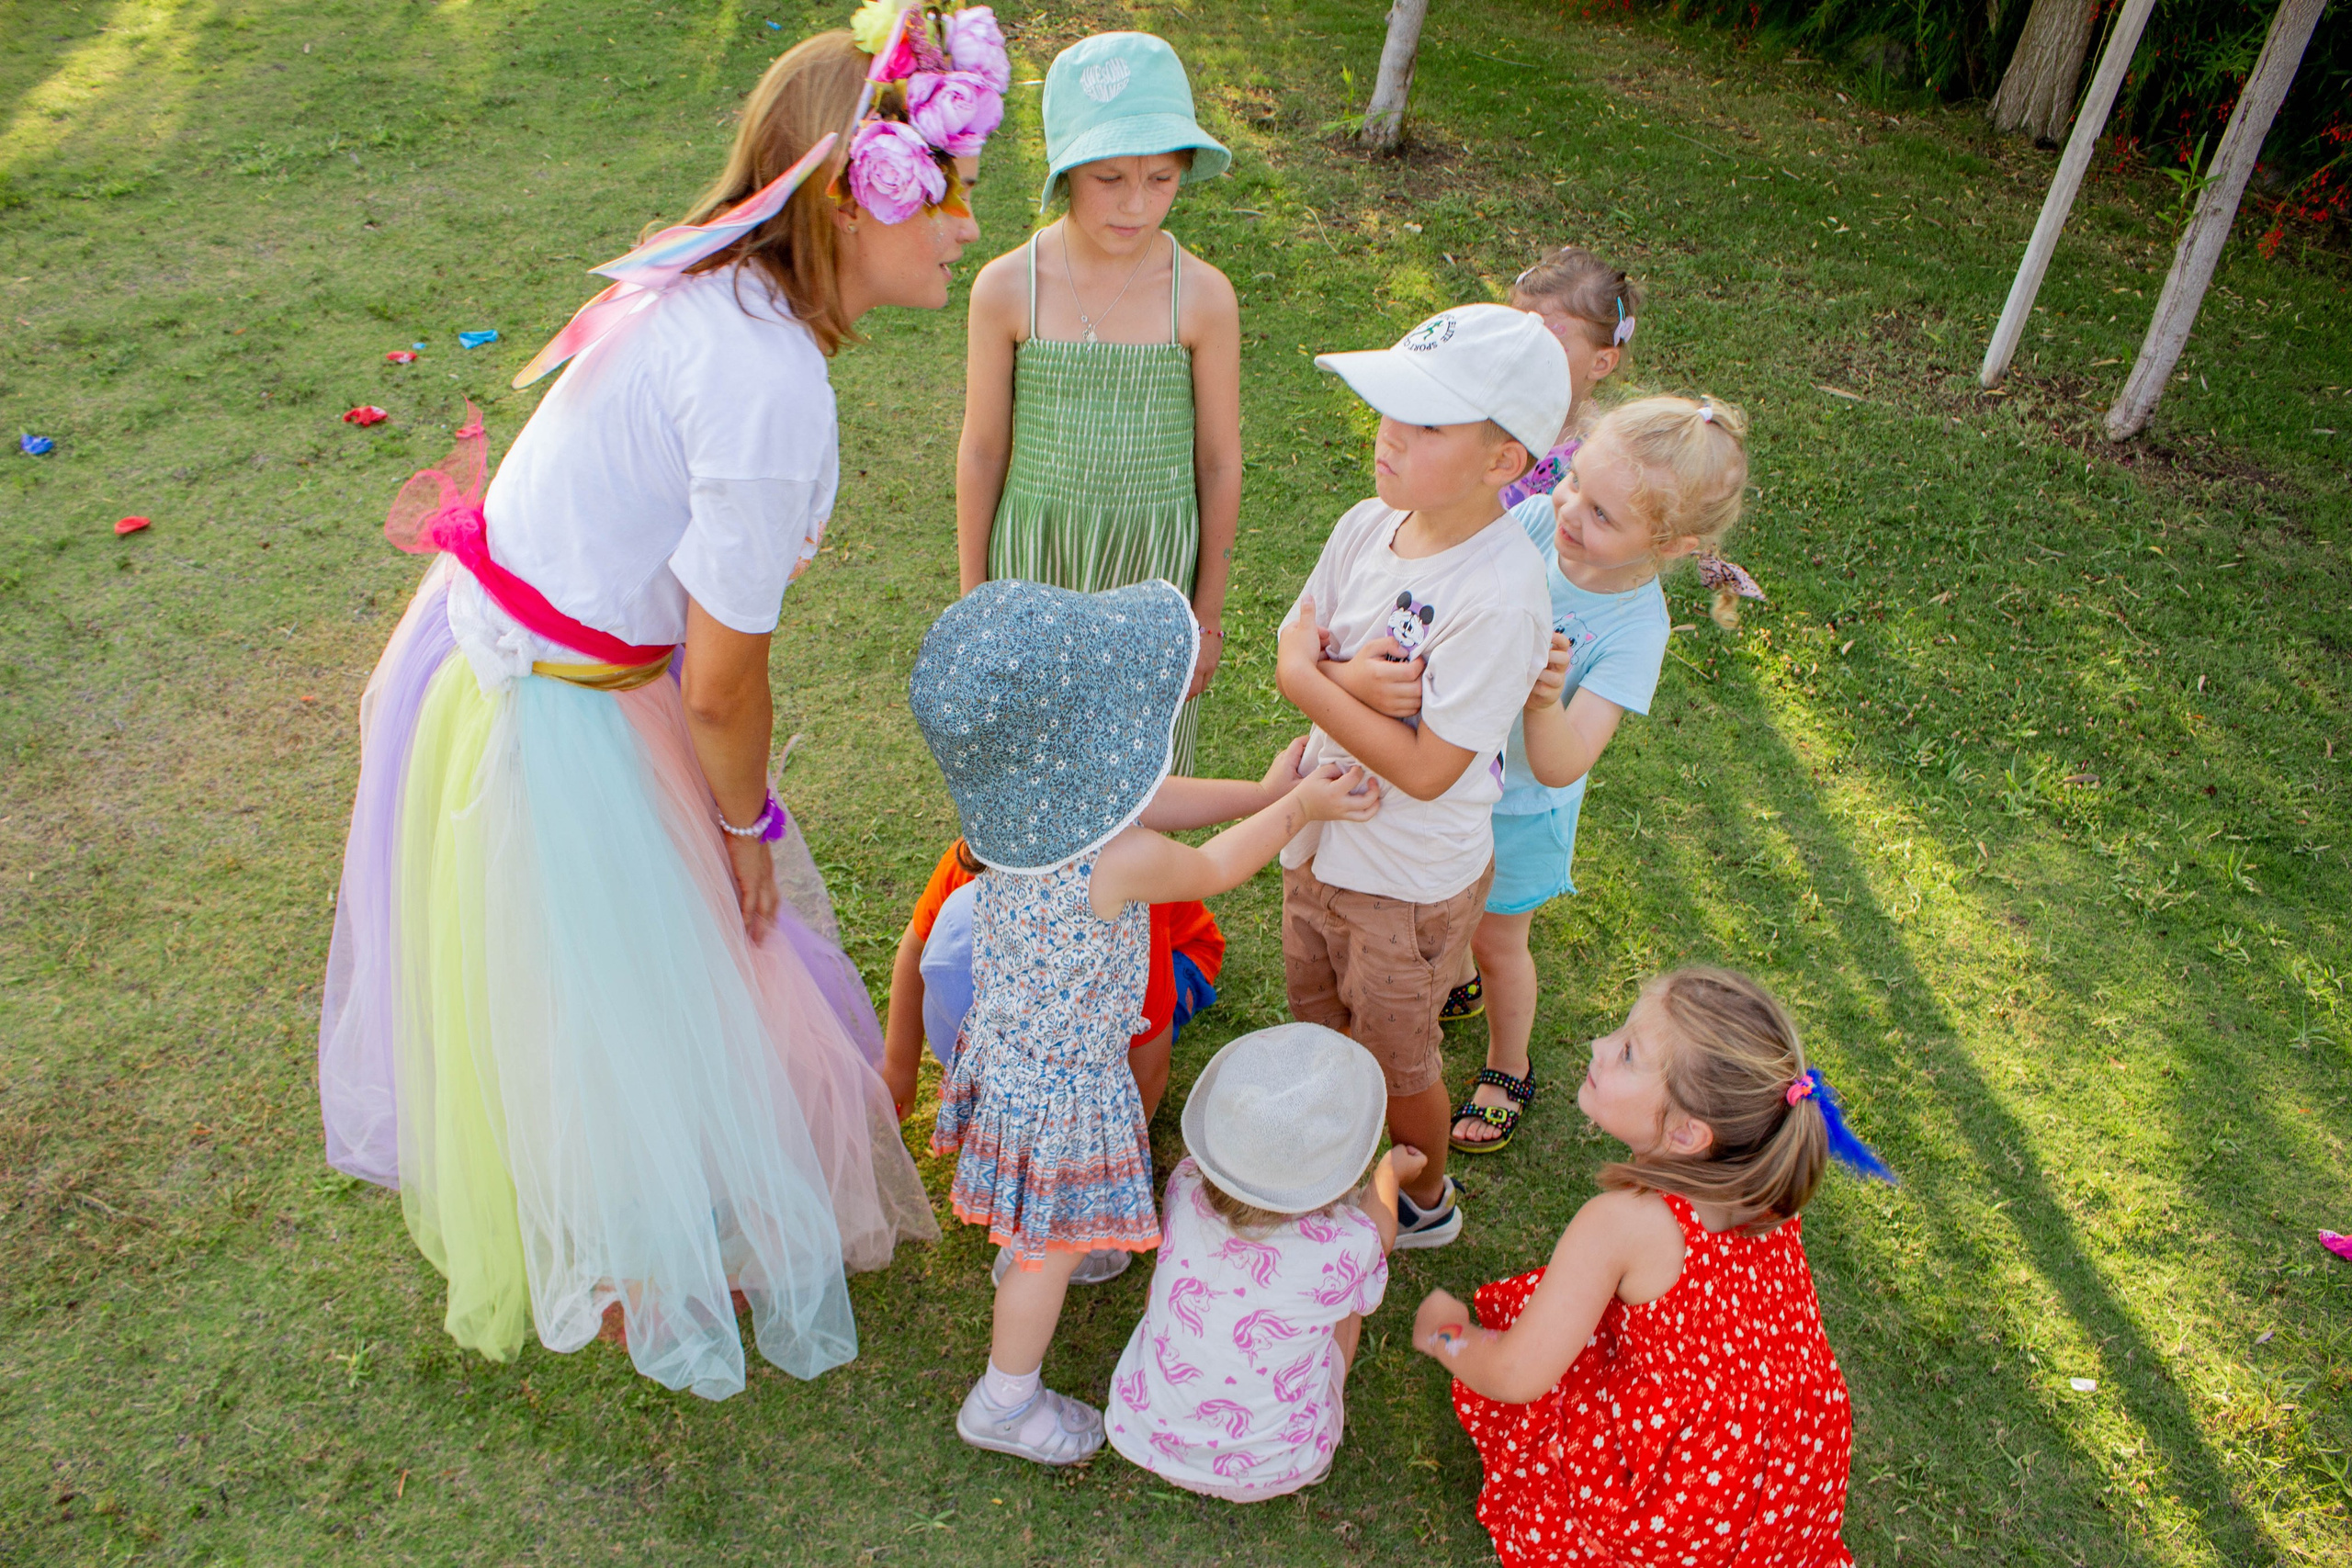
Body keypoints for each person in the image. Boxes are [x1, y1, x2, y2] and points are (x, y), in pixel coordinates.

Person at [313, 11, 1008, 1399]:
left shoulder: (719, 299)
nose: (962, 229)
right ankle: (639, 1240)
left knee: (607, 969)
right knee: (631, 969)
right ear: (847, 194)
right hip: (558, 705)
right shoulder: (762, 386)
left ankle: (641, 1202)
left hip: (510, 653)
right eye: (943, 190)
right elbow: (722, 677)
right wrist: (740, 819)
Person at [909, 579, 1380, 1465]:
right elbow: (1208, 871)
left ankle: (1054, 1238)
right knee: (1039, 1257)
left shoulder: (1026, 818)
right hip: (1063, 1083)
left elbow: (1156, 800)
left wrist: (1257, 787)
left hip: (1016, 1054)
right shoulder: (1111, 859)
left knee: (1048, 1230)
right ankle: (1004, 1399)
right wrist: (1297, 809)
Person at [1410, 968, 1886, 1567]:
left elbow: (1514, 1372)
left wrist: (1448, 1333)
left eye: (1628, 1052)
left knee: (1548, 1415)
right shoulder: (1762, 1185)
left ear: (1688, 1132)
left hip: (1686, 1515)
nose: (1597, 1047)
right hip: (1789, 1496)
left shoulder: (1620, 1223)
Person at [1272, 303, 1571, 1250]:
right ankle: (1338, 1150)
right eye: (1388, 407)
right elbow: (1302, 630)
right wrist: (1330, 676)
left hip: (1404, 881)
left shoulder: (1499, 595)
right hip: (1317, 836)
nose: (1388, 435)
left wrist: (1304, 679)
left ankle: (1422, 1201)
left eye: (1426, 422)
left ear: (1501, 463)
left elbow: (1431, 768)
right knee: (1317, 1010)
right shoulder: (1366, 525)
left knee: (1401, 1059)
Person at [1447, 397, 1752, 1157]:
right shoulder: (1541, 525)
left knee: (1497, 936)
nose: (1570, 509)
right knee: (1444, 893)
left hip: (1522, 807)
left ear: (1673, 543)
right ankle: (1453, 975)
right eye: (1574, 480)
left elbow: (1563, 761)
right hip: (1459, 774)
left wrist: (1544, 696)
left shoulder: (1635, 632)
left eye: (1603, 513)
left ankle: (1507, 1064)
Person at [955, 30, 1242, 773]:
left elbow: (1217, 462)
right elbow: (984, 449)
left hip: (1152, 578)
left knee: (1137, 788)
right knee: (1026, 778)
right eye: (1110, 178)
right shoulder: (1007, 288)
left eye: (1161, 179)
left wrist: (1205, 614)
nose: (1137, 205)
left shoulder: (1203, 298)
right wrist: (975, 604)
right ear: (1066, 170)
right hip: (1037, 562)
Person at [1105, 1023, 1419, 1501]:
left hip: (1141, 1430)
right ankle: (1312, 1431)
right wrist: (1389, 1173)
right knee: (1350, 1300)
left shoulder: (1185, 1188)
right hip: (1279, 1466)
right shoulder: (1346, 1246)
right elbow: (1380, 1236)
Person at [878, 838, 1230, 1123]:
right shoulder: (972, 860)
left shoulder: (1126, 919)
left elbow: (1149, 1063)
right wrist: (899, 1069)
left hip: (1180, 951)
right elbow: (914, 951)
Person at [1490, 246, 1642, 514]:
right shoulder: (1482, 402)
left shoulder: (1591, 462)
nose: (1524, 352)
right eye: (1518, 331)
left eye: (1549, 342)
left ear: (1601, 363)